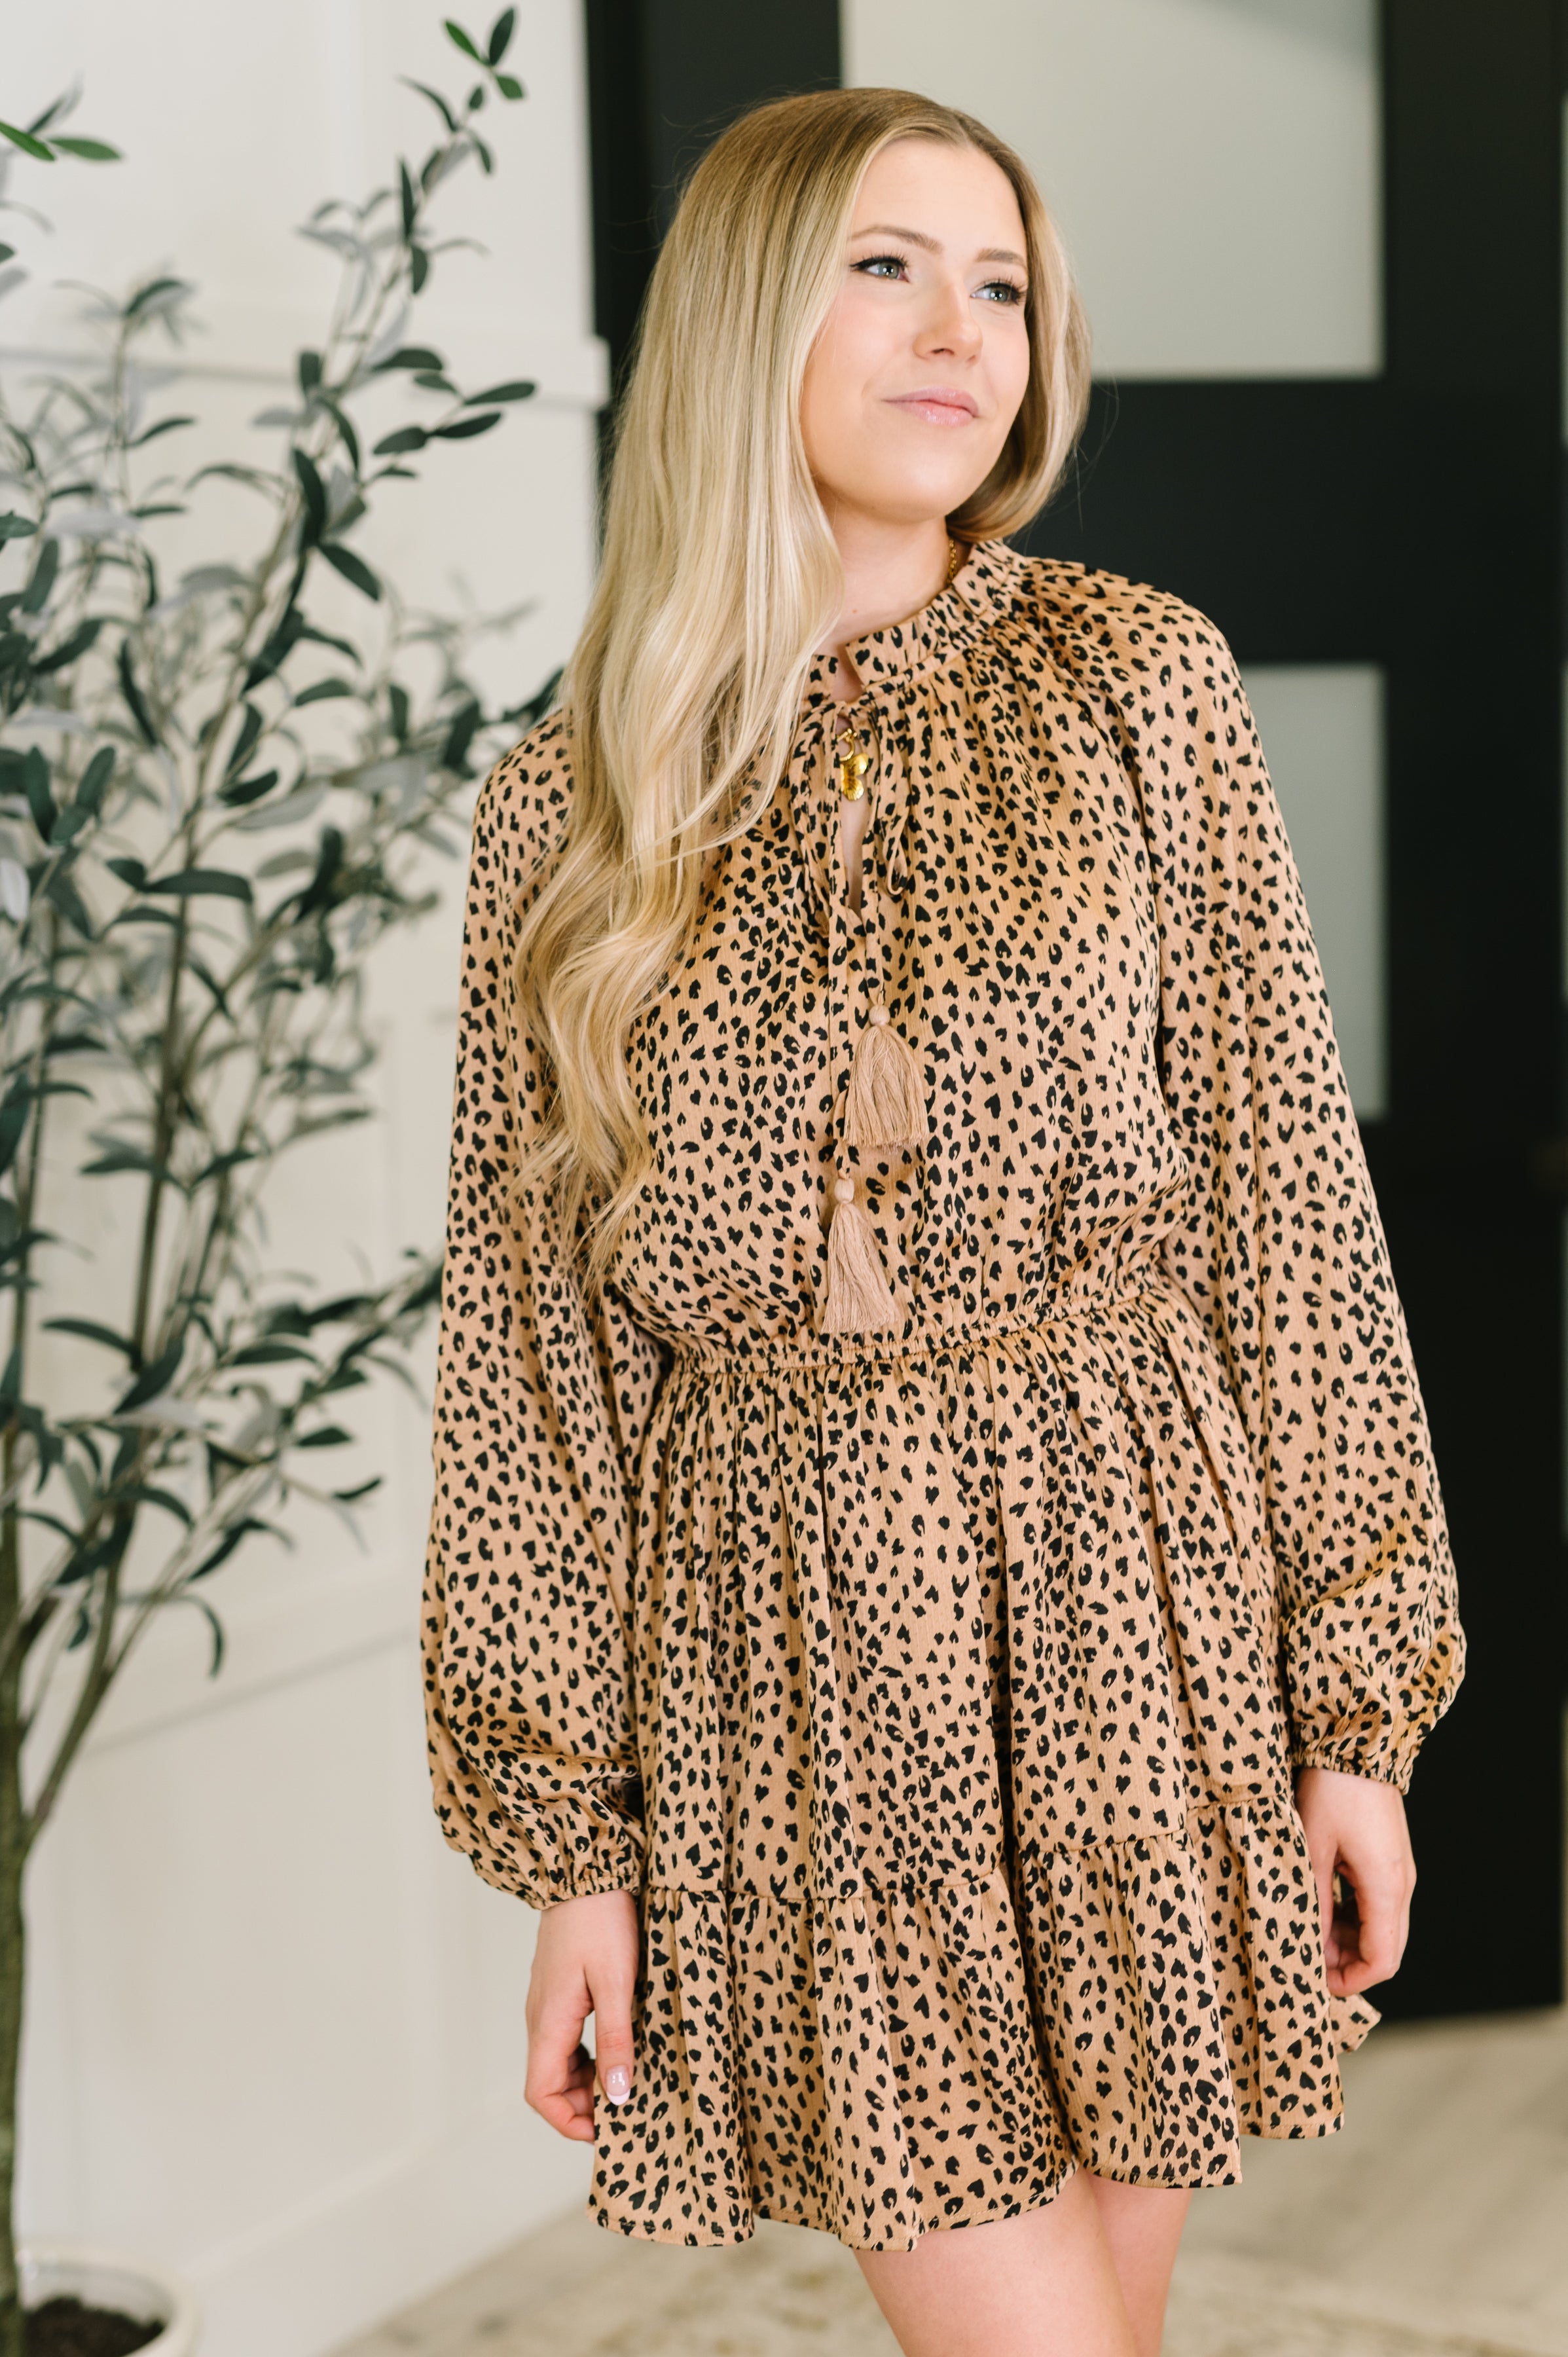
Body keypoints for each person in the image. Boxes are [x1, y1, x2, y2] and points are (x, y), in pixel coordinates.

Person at [421, 86, 1464, 2357]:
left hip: (1137, 1595)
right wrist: (570, 1851)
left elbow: (1291, 1203)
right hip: (799, 1641)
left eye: (998, 282)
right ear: (742, 317)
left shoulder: (1138, 683)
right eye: (885, 265)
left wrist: (1356, 1712)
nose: (957, 328)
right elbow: (532, 1356)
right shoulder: (570, 800)